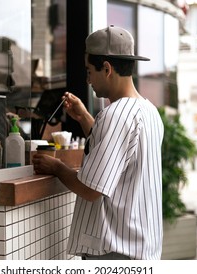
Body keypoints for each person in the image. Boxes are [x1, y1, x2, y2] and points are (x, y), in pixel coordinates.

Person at [32, 25, 164, 260]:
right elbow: (117, 150)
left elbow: (92, 189)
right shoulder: (149, 111)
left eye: (89, 70)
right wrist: (84, 117)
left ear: (107, 68)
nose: (88, 79)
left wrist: (56, 167)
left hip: (117, 252)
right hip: (142, 248)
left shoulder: (115, 115)